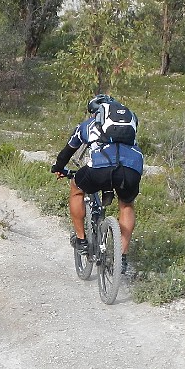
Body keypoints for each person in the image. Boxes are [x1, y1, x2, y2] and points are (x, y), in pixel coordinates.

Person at [50, 94, 144, 273]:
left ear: (94, 113)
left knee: (77, 188)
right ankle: (121, 257)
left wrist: (59, 167)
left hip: (100, 167)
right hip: (131, 168)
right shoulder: (128, 125)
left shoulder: (87, 126)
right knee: (126, 205)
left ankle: (81, 241)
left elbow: (67, 152)